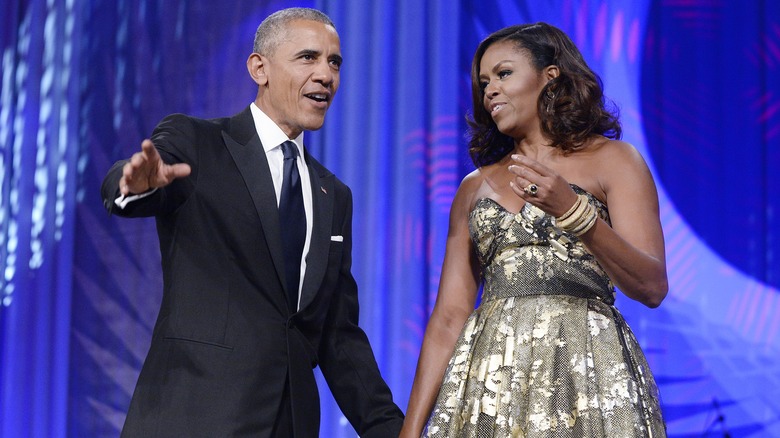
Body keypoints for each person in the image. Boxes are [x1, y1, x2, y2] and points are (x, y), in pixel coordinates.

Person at [100, 7, 404, 437]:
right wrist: (135, 184)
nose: (326, 74)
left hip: (290, 424)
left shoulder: (333, 195)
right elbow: (131, 181)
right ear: (259, 68)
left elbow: (338, 335)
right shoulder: (199, 142)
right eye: (308, 57)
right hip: (194, 417)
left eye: (335, 62)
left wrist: (392, 430)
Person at [400, 22, 668, 437]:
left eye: (504, 74)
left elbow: (651, 285)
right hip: (492, 381)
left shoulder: (615, 160)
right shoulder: (473, 187)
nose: (490, 89)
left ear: (550, 75)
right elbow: (450, 316)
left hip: (586, 372)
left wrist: (573, 211)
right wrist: (410, 430)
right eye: (484, 82)